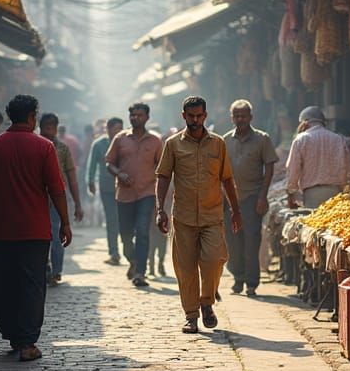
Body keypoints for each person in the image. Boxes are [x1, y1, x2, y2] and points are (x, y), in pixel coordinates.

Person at [0, 95, 71, 362]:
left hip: (3, 230)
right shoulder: (44, 147)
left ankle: (14, 335)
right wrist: (65, 221)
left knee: (4, 284)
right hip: (35, 231)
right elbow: (57, 189)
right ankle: (27, 342)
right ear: (32, 117)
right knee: (32, 285)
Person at [155, 96, 242, 334]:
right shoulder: (173, 144)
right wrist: (160, 209)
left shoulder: (218, 144)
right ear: (183, 115)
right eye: (191, 116)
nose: (195, 120)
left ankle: (207, 301)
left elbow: (226, 178)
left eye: (199, 116)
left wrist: (235, 210)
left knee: (214, 259)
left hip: (213, 214)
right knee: (185, 268)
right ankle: (191, 315)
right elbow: (163, 176)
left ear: (205, 115)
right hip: (182, 216)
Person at [222, 100, 278, 297]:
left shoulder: (262, 139)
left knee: (251, 240)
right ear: (232, 118)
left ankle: (251, 283)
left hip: (252, 197)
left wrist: (263, 196)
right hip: (229, 200)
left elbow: (269, 167)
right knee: (232, 240)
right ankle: (238, 277)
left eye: (244, 116)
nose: (240, 120)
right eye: (237, 116)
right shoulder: (225, 140)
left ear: (250, 117)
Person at [106, 103, 162, 288]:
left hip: (147, 192)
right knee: (126, 235)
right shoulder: (120, 139)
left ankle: (140, 272)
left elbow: (162, 167)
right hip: (124, 194)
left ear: (147, 117)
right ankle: (132, 260)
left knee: (143, 230)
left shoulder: (155, 141)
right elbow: (109, 163)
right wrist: (119, 173)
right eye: (132, 115)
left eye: (139, 115)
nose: (135, 118)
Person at [40, 113, 84, 286]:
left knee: (58, 234)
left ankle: (56, 271)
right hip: (38, 199)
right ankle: (44, 268)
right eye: (46, 127)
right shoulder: (35, 145)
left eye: (53, 127)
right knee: (41, 237)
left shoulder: (63, 149)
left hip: (57, 199)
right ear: (40, 127)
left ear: (57, 128)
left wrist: (78, 204)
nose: (50, 131)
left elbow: (72, 177)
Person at [286, 107, 350, 209]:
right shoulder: (338, 139)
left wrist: (292, 192)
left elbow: (293, 169)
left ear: (305, 123)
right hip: (336, 195)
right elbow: (349, 170)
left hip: (311, 195)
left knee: (314, 222)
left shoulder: (300, 140)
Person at [87, 117, 124, 265]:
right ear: (108, 129)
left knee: (124, 219)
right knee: (111, 219)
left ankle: (128, 249)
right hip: (107, 187)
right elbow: (92, 165)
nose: (119, 132)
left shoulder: (126, 142)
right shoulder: (99, 144)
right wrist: (90, 181)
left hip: (126, 187)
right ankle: (114, 252)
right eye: (116, 129)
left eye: (121, 129)